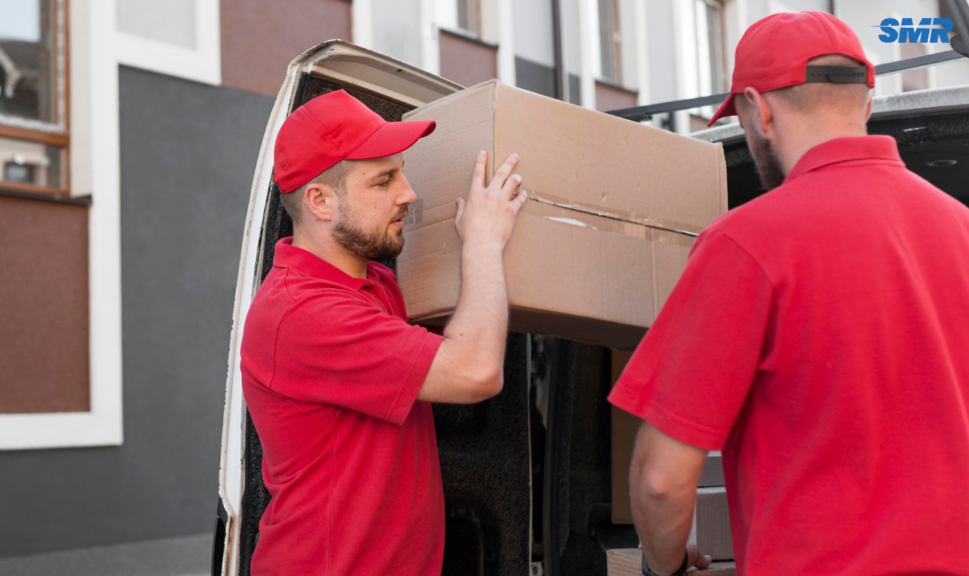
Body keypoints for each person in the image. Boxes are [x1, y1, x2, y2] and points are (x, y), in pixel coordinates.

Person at [608, 11, 969, 576]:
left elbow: (660, 481)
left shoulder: (746, 242)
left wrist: (665, 565)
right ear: (867, 103)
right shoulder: (962, 228)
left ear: (760, 108)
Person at [239, 90, 527, 575]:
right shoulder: (303, 313)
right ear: (320, 201)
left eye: (402, 172)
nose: (408, 193)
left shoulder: (373, 283)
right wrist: (482, 244)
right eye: (383, 181)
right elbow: (476, 370)